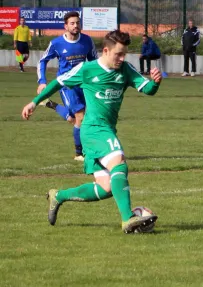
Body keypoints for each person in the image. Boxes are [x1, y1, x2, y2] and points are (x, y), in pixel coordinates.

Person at [22, 30, 160, 234]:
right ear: (106, 50)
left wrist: (156, 83)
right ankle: (127, 219)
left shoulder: (126, 70)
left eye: (124, 54)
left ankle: (58, 196)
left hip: (106, 129)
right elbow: (58, 82)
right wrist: (34, 102)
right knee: (118, 161)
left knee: (105, 188)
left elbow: (147, 89)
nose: (122, 59)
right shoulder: (87, 69)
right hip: (93, 129)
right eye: (118, 54)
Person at [37, 11, 98, 161]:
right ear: (66, 26)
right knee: (80, 117)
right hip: (67, 86)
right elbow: (42, 61)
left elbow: (94, 61)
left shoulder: (87, 41)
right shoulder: (56, 43)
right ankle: (80, 154)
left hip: (84, 84)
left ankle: (50, 104)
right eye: (72, 23)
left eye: (77, 22)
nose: (76, 25)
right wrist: (42, 81)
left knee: (74, 119)